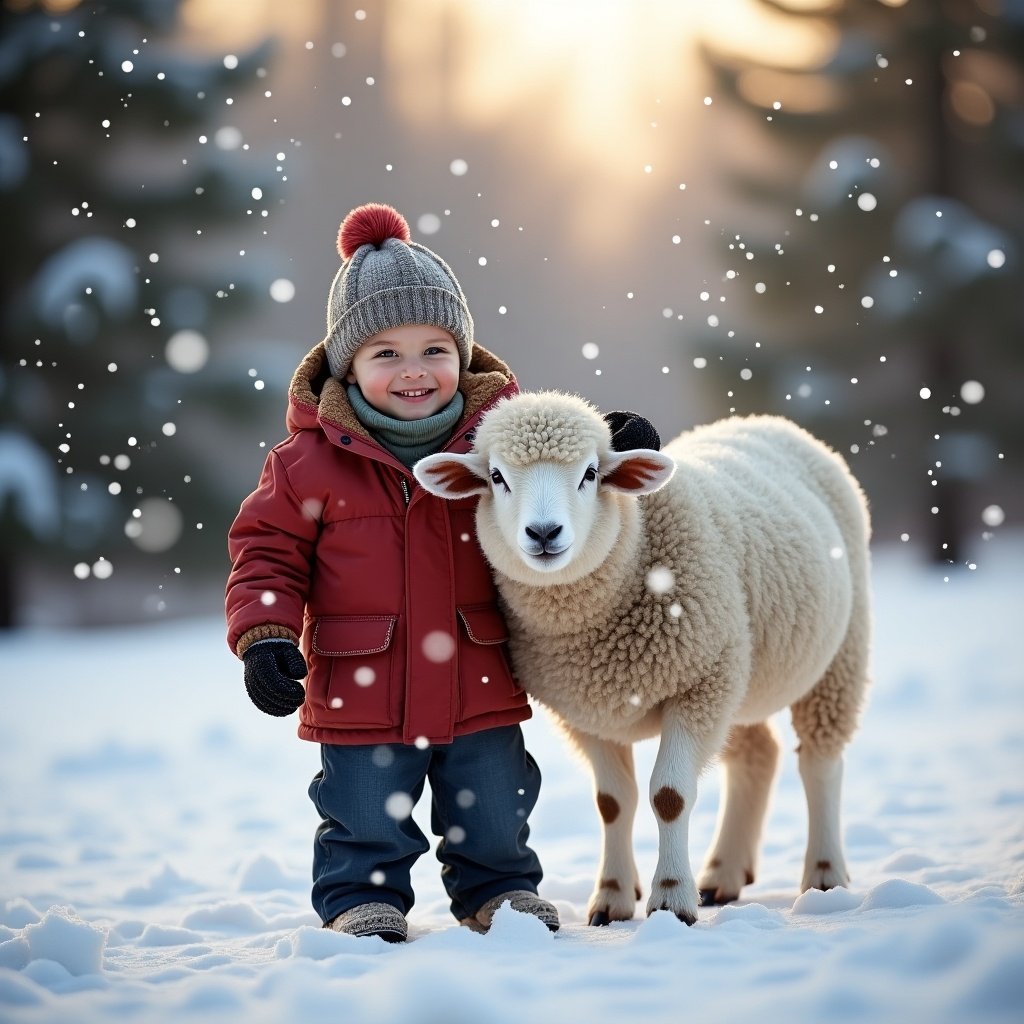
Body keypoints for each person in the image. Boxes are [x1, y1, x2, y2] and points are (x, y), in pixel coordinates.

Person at [225, 202, 558, 943]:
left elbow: (568, 474)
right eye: (386, 354)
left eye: (435, 349)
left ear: (464, 355)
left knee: (497, 805)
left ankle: (498, 892)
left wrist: (617, 439)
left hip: (479, 672)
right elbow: (267, 553)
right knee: (364, 808)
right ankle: (360, 900)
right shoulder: (308, 462)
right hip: (361, 681)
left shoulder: (505, 440)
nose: (415, 371)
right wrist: (267, 634)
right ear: (347, 365)